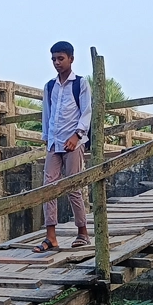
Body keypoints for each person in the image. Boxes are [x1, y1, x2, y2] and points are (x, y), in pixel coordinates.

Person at [35, 41, 92, 253]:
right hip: (54, 142)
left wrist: (77, 136)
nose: (57, 63)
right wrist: (47, 138)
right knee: (48, 188)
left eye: (61, 58)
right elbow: (47, 114)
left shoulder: (80, 84)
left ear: (71, 59)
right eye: (54, 59)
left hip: (73, 143)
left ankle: (82, 232)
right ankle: (51, 236)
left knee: (73, 186)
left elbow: (86, 112)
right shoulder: (50, 86)